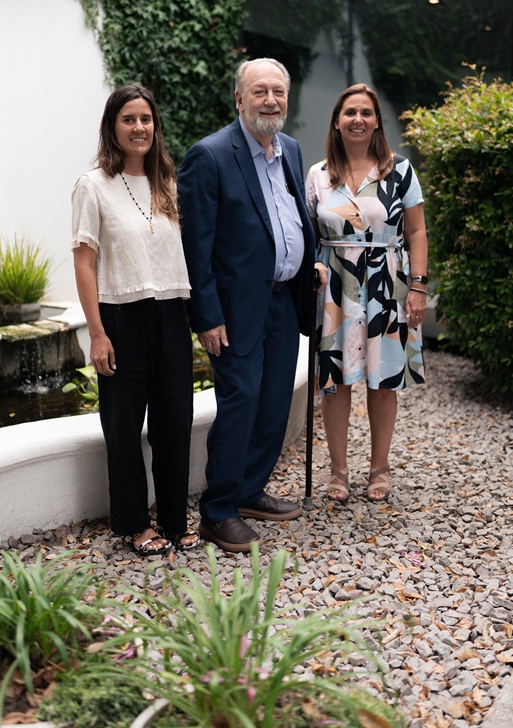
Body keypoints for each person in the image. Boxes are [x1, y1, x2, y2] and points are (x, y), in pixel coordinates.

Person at [177, 57, 317, 553]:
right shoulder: (210, 156)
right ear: (239, 98)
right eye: (260, 91)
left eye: (278, 91)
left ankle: (251, 491)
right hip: (234, 310)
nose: (271, 100)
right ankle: (218, 511)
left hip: (283, 301)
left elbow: (294, 218)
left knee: (276, 399)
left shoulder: (292, 150)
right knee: (241, 400)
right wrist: (207, 315)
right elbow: (196, 245)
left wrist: (310, 262)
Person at [71, 85, 199, 557]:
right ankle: (132, 524)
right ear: (113, 126)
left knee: (174, 422)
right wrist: (98, 332)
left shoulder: (166, 182)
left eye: (146, 119)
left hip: (170, 313)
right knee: (123, 426)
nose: (139, 127)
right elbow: (85, 262)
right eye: (129, 119)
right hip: (120, 317)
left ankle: (172, 519)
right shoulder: (93, 185)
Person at [306, 83, 427, 504]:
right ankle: (338, 472)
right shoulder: (318, 175)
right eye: (349, 113)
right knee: (334, 381)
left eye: (365, 113)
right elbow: (308, 235)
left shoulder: (401, 171)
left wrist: (418, 287)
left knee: (383, 378)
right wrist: (314, 264)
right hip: (334, 285)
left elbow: (416, 231)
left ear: (377, 121)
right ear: (337, 122)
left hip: (387, 283)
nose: (357, 119)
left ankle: (380, 468)